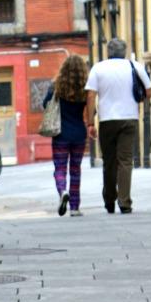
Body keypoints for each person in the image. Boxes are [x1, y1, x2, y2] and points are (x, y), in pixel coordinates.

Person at [85, 38, 151, 214]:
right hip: (129, 118)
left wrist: (90, 122)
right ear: (124, 51)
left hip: (107, 120)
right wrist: (135, 100)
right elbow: (149, 91)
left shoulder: (98, 68)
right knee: (125, 161)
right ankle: (124, 202)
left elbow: (91, 96)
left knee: (109, 162)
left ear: (108, 51)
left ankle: (109, 200)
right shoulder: (135, 66)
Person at [43, 55, 89, 217]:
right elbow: (91, 109)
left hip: (60, 134)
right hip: (79, 134)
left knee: (60, 168)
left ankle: (62, 191)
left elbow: (45, 105)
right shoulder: (86, 87)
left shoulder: (56, 86)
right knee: (75, 170)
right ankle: (75, 207)